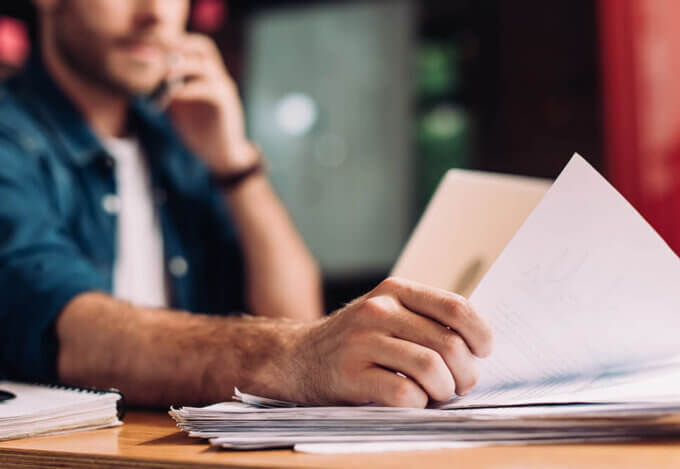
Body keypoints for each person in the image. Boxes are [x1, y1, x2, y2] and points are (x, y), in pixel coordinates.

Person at [0, 0, 492, 408]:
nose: (156, 14)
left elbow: (294, 312)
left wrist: (236, 165)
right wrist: (294, 356)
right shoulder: (9, 137)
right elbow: (64, 328)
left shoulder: (177, 141)